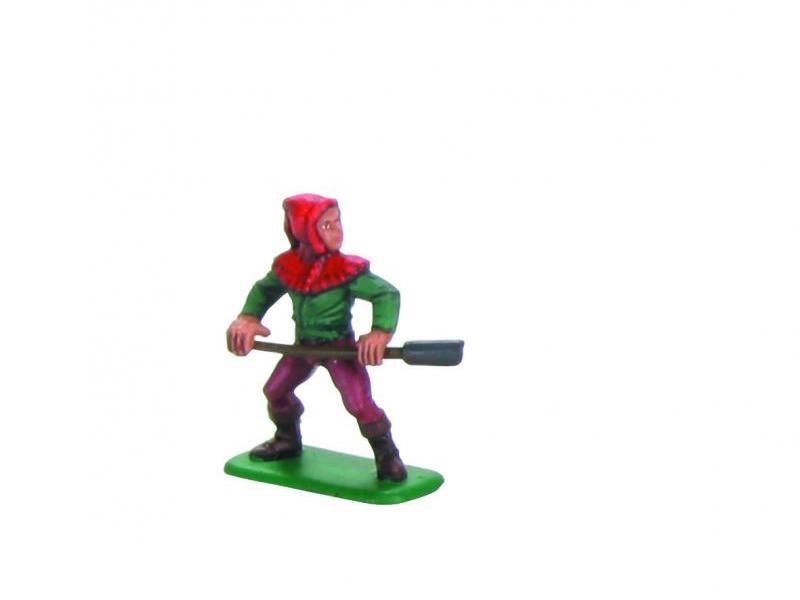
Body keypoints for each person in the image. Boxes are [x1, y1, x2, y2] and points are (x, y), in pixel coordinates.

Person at [226, 193, 407, 481]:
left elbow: (385, 294)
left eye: (337, 222)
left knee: (360, 404)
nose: (336, 230)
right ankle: (287, 439)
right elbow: (264, 290)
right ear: (303, 230)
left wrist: (379, 332)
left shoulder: (346, 270)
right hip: (304, 348)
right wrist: (248, 318)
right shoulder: (288, 266)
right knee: (275, 391)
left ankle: (387, 455)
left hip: (340, 349)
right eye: (326, 225)